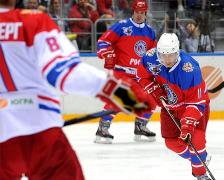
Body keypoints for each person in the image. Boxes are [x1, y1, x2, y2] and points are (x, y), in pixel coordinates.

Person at [0, 0, 155, 179]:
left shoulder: (149, 32)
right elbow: (64, 72)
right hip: (40, 132)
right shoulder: (34, 21)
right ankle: (104, 128)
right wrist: (122, 94)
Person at [138, 33, 211, 180]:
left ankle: (200, 174)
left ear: (177, 52)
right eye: (163, 55)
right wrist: (155, 90)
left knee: (195, 142)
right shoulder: (151, 57)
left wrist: (187, 127)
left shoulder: (189, 69)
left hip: (192, 107)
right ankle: (198, 159)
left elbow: (195, 103)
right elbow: (142, 74)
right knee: (171, 142)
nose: (166, 60)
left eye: (170, 55)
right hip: (170, 107)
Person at [95, 0, 157, 143]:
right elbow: (103, 42)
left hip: (140, 75)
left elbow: (153, 54)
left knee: (152, 98)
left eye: (142, 13)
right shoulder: (122, 26)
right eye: (137, 12)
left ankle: (141, 126)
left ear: (146, 13)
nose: (140, 15)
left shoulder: (150, 32)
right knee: (120, 99)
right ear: (133, 11)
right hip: (122, 72)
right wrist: (108, 54)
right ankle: (102, 128)